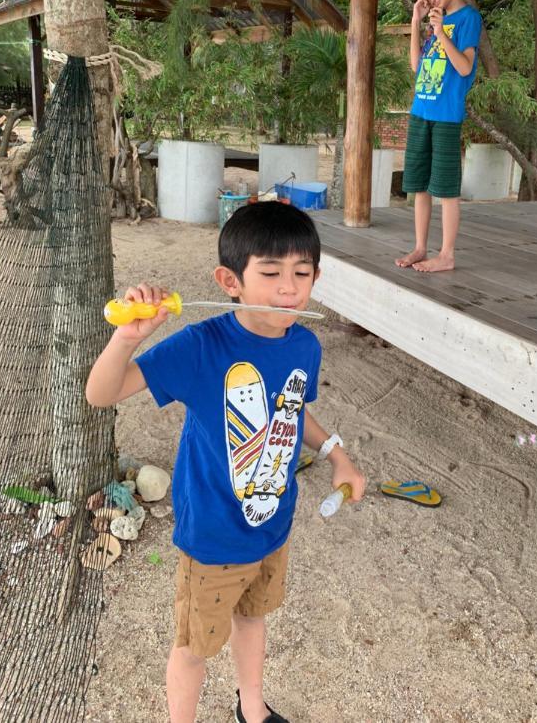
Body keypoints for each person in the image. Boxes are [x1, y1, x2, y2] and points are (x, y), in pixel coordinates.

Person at [86, 201, 366, 723]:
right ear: (229, 280)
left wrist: (337, 455)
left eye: (302, 273)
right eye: (271, 272)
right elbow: (102, 394)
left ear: (316, 278)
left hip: (271, 526)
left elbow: (293, 411)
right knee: (195, 647)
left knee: (254, 618)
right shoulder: (201, 345)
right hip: (214, 536)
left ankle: (252, 709)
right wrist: (128, 337)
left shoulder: (303, 343)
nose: (289, 288)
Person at [395, 0, 483, 273]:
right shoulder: (435, 22)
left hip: (446, 116)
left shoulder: (467, 18)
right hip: (421, 111)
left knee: (445, 188)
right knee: (418, 184)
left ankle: (446, 254)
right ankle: (420, 246)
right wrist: (418, 22)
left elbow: (463, 67)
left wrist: (442, 31)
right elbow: (417, 67)